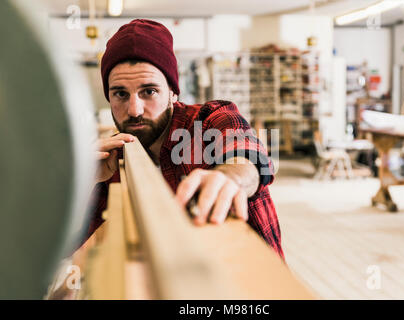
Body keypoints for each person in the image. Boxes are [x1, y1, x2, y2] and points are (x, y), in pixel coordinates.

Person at [89, 19, 283, 258]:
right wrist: (82, 183)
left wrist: (230, 176)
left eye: (149, 91)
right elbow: (60, 242)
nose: (134, 110)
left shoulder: (208, 120)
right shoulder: (117, 156)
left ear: (172, 91)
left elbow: (248, 155)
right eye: (120, 94)